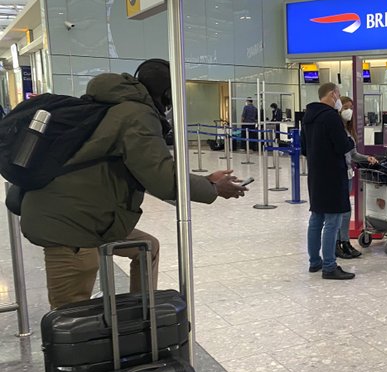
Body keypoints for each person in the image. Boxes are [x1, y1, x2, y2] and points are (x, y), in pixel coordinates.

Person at [20, 59, 247, 309]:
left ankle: (141, 318)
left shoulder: (114, 106)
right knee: (69, 316)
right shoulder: (136, 114)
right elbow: (161, 178)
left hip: (89, 216)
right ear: (167, 93)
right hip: (68, 224)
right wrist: (214, 189)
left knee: (145, 248)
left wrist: (206, 182)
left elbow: (146, 171)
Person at [301, 82, 355, 280]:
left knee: (316, 218)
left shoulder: (307, 117)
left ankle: (315, 262)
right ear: (333, 94)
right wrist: (350, 140)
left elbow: (304, 148)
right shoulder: (331, 116)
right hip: (333, 175)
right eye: (339, 96)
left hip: (315, 174)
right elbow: (342, 146)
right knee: (333, 221)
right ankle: (330, 266)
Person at [336, 96, 377, 260]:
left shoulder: (348, 130)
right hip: (339, 174)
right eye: (346, 108)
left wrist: (366, 158)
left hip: (348, 174)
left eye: (351, 108)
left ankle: (344, 242)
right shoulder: (337, 129)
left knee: (346, 211)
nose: (349, 112)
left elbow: (352, 154)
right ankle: (340, 243)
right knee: (342, 212)